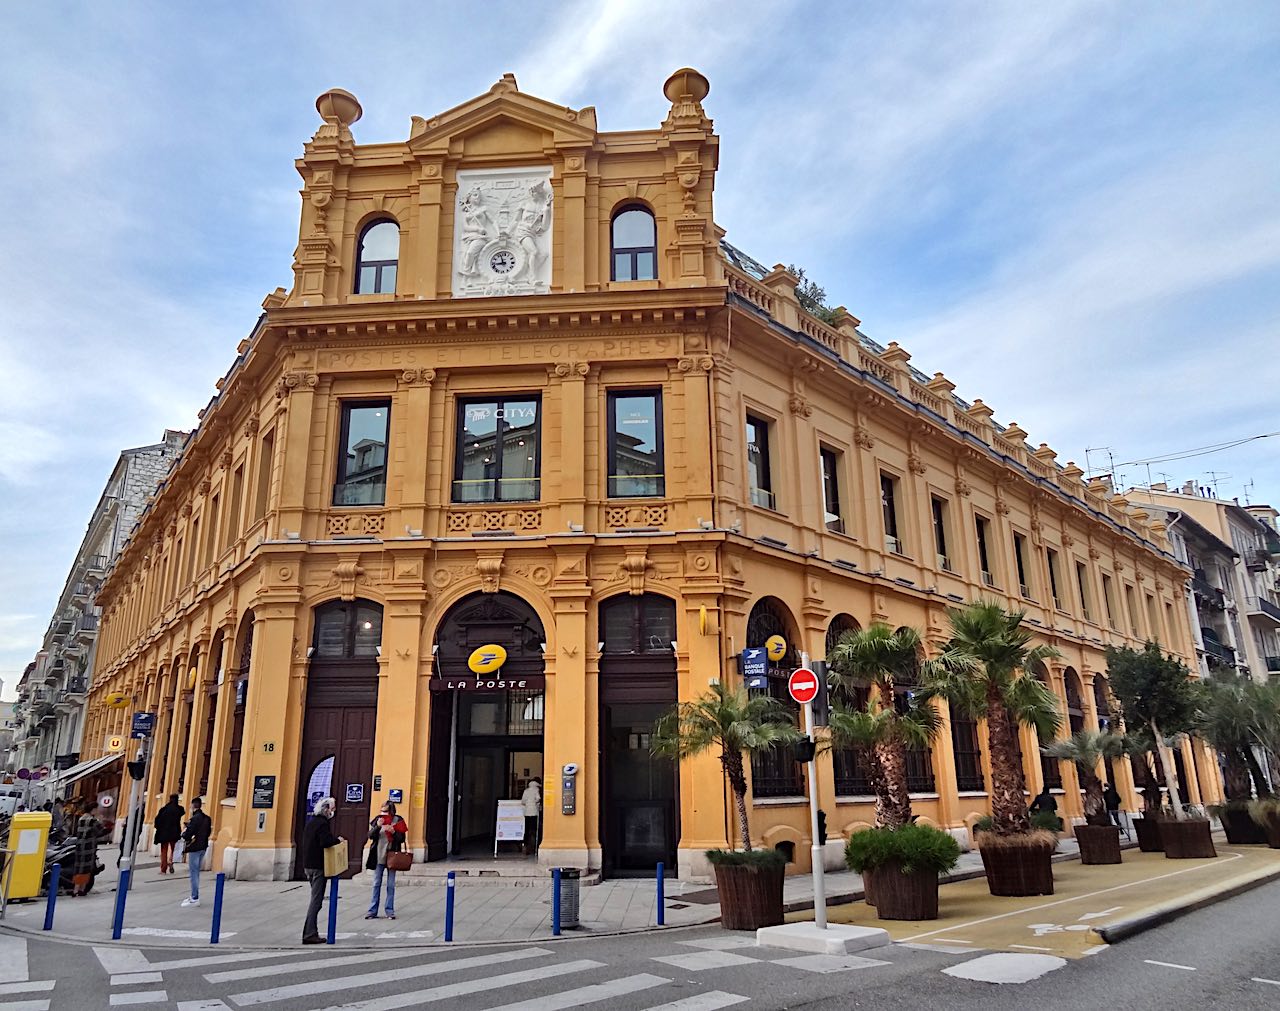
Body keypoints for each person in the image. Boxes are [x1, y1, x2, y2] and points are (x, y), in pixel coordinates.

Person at [301, 797, 342, 944]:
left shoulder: (311, 823)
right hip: (318, 866)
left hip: (308, 866)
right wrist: (338, 840)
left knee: (315, 899)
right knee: (316, 901)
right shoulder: (323, 824)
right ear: (325, 809)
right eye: (332, 808)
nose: (333, 811)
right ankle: (309, 934)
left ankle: (311, 932)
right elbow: (325, 842)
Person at [365, 801, 408, 920]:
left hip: (391, 856)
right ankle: (372, 910)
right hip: (378, 856)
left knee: (390, 885)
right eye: (382, 811)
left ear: (391, 811)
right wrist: (378, 826)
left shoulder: (397, 820)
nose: (383, 813)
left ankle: (389, 910)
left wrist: (394, 832)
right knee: (376, 883)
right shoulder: (378, 820)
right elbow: (370, 835)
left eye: (385, 811)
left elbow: (402, 838)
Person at [179, 798, 212, 907]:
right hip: (203, 846)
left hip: (194, 847)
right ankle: (194, 896)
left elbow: (189, 833)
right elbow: (208, 832)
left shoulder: (194, 819)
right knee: (196, 871)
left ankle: (194, 897)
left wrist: (184, 834)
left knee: (194, 872)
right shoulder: (207, 818)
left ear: (193, 806)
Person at [71, 800, 105, 896]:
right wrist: (101, 821)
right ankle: (81, 889)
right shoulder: (92, 820)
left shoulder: (81, 819)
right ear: (93, 810)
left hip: (80, 845)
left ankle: (75, 889)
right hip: (89, 847)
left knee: (79, 869)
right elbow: (100, 832)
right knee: (86, 869)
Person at [154, 795, 185, 875]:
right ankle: (170, 860)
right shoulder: (178, 809)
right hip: (174, 833)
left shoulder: (164, 809)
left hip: (164, 833)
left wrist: (159, 828)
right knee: (173, 849)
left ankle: (163, 869)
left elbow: (157, 820)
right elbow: (183, 811)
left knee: (164, 850)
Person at [521, 777, 542, 856]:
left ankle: (525, 847)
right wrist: (536, 803)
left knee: (527, 830)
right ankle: (536, 847)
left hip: (527, 812)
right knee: (535, 830)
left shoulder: (526, 791)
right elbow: (538, 798)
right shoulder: (537, 790)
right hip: (534, 812)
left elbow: (523, 801)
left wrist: (527, 803)